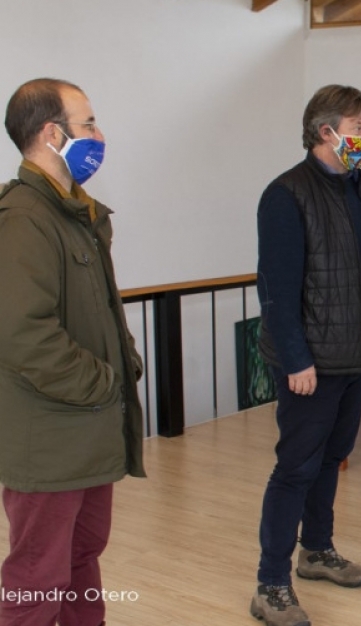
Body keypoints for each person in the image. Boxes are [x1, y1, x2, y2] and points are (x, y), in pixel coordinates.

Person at [0, 78, 145, 626]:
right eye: (88, 124)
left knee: (82, 555)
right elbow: (25, 335)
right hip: (50, 439)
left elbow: (99, 310)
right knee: (36, 578)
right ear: (51, 134)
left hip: (86, 429)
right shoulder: (24, 220)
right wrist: (106, 382)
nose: (99, 135)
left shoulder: (75, 213)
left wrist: (124, 361)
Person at [251, 85, 361, 626]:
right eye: (359, 127)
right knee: (295, 469)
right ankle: (271, 583)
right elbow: (276, 289)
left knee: (331, 459)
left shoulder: (356, 187)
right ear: (325, 130)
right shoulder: (286, 194)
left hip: (353, 354)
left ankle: (316, 550)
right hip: (311, 362)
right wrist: (295, 359)